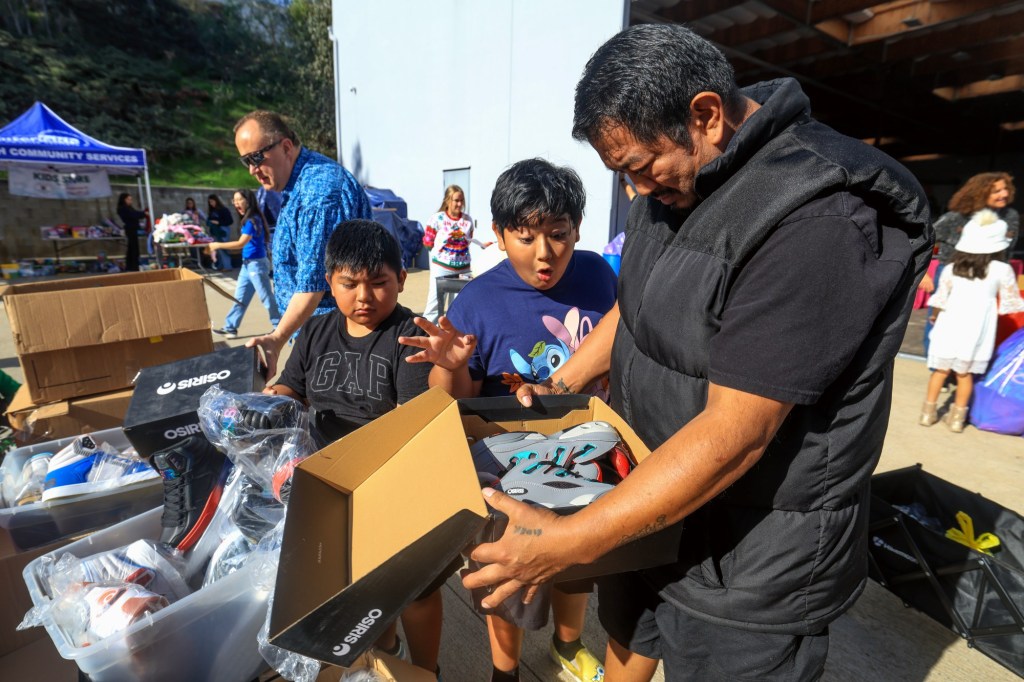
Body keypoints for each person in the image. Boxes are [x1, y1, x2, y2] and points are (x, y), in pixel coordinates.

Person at [455, 24, 932, 682]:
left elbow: (735, 434)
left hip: (750, 559)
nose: (636, 191)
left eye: (638, 168)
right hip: (646, 503)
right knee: (631, 635)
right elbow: (637, 305)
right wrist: (563, 382)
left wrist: (566, 542)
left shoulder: (821, 218)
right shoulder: (681, 180)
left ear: (706, 115)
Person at [400, 159, 617, 682]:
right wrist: (450, 369)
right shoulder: (477, 301)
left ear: (577, 230)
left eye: (559, 235)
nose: (546, 254)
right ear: (497, 235)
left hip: (590, 454)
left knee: (579, 570)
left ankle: (569, 644)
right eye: (525, 237)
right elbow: (456, 404)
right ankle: (506, 670)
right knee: (510, 583)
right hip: (510, 470)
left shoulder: (599, 275)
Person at [263, 220, 447, 676]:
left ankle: (426, 669)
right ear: (329, 283)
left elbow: (411, 422)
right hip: (325, 485)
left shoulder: (409, 336)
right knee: (359, 591)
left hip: (391, 485)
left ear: (402, 280)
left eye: (379, 283)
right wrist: (269, 406)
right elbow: (291, 389)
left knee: (416, 590)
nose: (364, 297)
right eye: (349, 284)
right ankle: (386, 654)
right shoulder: (316, 332)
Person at [234, 110, 372, 378]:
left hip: (335, 342)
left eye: (255, 158)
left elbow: (313, 285)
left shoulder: (318, 192)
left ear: (285, 146)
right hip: (320, 337)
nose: (252, 170)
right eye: (245, 161)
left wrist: (277, 338)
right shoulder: (298, 185)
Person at [920, 209, 1024, 432]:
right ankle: (957, 419)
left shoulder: (950, 268)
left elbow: (940, 299)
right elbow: (1011, 303)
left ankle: (927, 413)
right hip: (977, 327)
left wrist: (935, 316)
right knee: (964, 374)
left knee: (940, 371)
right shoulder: (1002, 270)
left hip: (950, 322)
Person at [921, 173, 1018, 355]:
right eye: (997, 190)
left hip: (988, 275)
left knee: (977, 323)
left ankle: (964, 368)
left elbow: (1007, 249)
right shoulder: (956, 217)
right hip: (952, 271)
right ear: (979, 192)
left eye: (1006, 189)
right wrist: (922, 272)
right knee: (939, 317)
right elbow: (925, 239)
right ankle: (937, 366)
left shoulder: (1010, 216)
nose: (1004, 194)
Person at [209, 189, 281, 339]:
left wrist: (218, 245)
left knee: (266, 297)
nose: (236, 203)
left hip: (256, 265)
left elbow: (241, 243)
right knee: (240, 298)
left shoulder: (252, 220)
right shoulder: (250, 219)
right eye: (234, 201)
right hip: (247, 265)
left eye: (239, 200)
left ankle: (279, 327)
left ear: (248, 201)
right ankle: (231, 327)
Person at [421, 185, 488, 321]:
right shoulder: (436, 219)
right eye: (456, 200)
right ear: (448, 200)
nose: (459, 204)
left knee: (459, 304)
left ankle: (453, 334)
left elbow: (467, 240)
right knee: (434, 304)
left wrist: (482, 245)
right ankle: (427, 333)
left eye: (461, 201)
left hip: (463, 269)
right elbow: (427, 243)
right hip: (441, 269)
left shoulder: (468, 220)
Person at [116, 192, 147, 272]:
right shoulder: (123, 209)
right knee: (133, 249)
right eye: (129, 199)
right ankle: (132, 266)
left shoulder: (128, 208)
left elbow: (135, 213)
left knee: (132, 248)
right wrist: (143, 214)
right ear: (124, 200)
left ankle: (132, 266)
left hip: (133, 229)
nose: (130, 201)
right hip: (130, 229)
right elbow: (134, 215)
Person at [206, 194, 234, 271]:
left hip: (222, 231)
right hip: (214, 232)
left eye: (212, 201)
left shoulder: (224, 210)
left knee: (223, 248)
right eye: (210, 202)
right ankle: (221, 265)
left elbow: (230, 221)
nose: (211, 203)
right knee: (218, 250)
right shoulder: (212, 211)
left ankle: (227, 266)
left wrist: (218, 222)